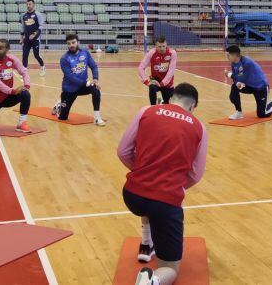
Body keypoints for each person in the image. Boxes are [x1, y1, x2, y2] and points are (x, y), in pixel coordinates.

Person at [117, 83, 207, 285]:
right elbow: (196, 174)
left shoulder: (145, 111)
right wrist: (177, 186)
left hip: (132, 195)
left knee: (150, 199)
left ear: (171, 98)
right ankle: (150, 281)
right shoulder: (199, 126)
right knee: (170, 269)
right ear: (192, 106)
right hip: (165, 202)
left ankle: (146, 245)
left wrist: (142, 171)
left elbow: (123, 151)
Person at [51, 33, 105, 126]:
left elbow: (94, 66)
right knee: (63, 118)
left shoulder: (85, 53)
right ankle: (58, 106)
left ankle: (97, 118)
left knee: (95, 89)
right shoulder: (64, 58)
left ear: (78, 42)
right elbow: (69, 76)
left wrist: (95, 79)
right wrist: (85, 82)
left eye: (73, 42)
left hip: (83, 86)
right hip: (69, 89)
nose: (71, 45)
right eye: (69, 43)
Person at [225, 45, 272, 120]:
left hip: (260, 87)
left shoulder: (247, 63)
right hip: (249, 86)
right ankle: (239, 112)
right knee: (234, 89)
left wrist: (229, 74)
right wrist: (236, 83)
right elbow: (236, 77)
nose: (227, 56)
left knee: (261, 115)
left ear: (234, 55)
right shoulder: (234, 63)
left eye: (228, 55)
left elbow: (242, 78)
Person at [138, 36, 178, 106]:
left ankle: (162, 101)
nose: (162, 48)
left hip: (167, 83)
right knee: (152, 87)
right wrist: (146, 81)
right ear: (155, 46)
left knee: (169, 105)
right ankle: (153, 107)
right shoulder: (151, 53)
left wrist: (162, 83)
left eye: (163, 46)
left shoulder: (172, 53)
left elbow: (171, 71)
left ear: (166, 45)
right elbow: (141, 67)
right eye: (159, 47)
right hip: (155, 81)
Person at [20, 0, 47, 76]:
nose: (28, 6)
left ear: (33, 5)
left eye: (30, 4)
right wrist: (21, 38)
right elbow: (22, 27)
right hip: (26, 39)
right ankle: (24, 73)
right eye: (27, 4)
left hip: (35, 39)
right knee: (24, 55)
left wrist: (34, 34)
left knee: (36, 55)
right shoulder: (23, 15)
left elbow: (41, 26)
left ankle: (42, 66)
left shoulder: (37, 14)